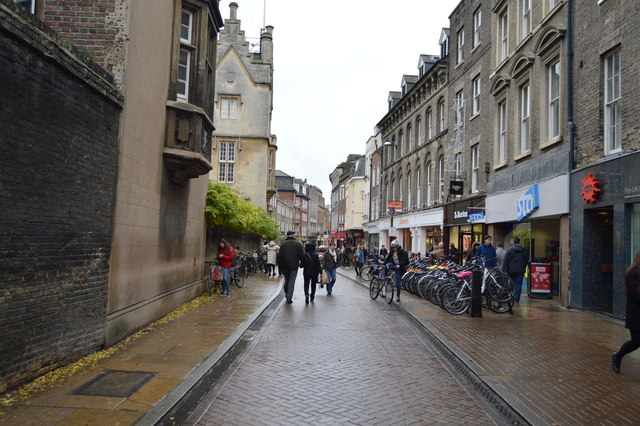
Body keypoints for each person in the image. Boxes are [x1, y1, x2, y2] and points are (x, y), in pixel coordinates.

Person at [612, 252, 640, 373]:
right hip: (636, 314)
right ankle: (617, 356)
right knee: (636, 341)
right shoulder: (633, 273)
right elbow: (635, 294)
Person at [277, 231, 304, 304]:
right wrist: (302, 263)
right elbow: (302, 255)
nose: (296, 236)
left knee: (287, 280)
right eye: (295, 235)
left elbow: (279, 256)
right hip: (294, 266)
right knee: (292, 282)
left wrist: (280, 266)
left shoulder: (283, 244)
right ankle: (289, 297)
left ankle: (287, 293)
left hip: (284, 266)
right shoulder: (298, 244)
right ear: (292, 235)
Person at [502, 237, 529, 303]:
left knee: (511, 284)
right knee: (519, 284)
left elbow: (506, 261)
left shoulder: (509, 250)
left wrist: (503, 269)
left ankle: (511, 297)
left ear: (514, 243)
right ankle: (517, 298)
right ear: (519, 243)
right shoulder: (524, 251)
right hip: (520, 270)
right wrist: (524, 266)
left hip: (511, 270)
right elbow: (526, 260)